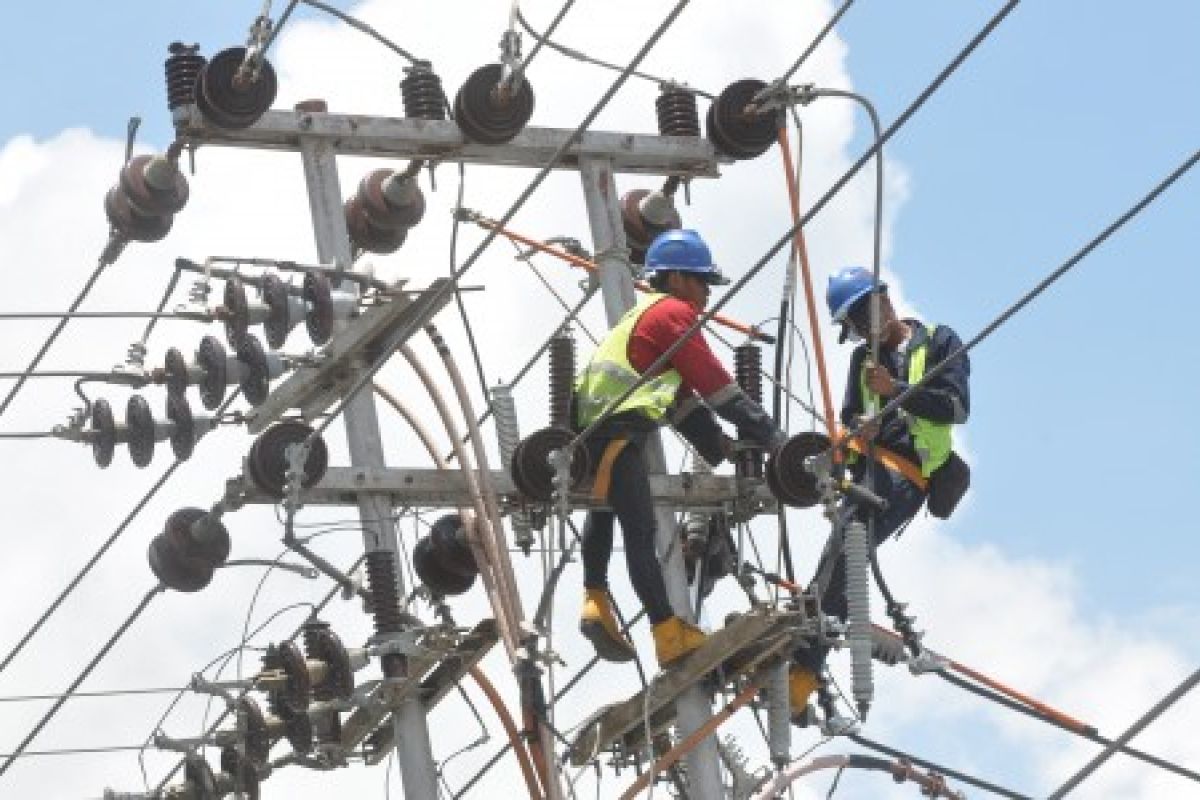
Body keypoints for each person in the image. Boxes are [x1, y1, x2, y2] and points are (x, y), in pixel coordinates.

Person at [574, 229, 788, 668]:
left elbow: (680, 401)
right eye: (701, 280)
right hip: (617, 430)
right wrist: (775, 439)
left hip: (590, 429)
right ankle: (668, 632)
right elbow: (717, 387)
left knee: (603, 510)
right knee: (640, 530)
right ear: (674, 279)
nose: (707, 293)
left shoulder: (642, 317)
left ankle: (595, 599)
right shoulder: (673, 314)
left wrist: (720, 447)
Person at [788, 265, 971, 717]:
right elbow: (851, 416)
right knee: (842, 554)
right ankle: (804, 656)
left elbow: (955, 407)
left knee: (847, 550)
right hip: (869, 472)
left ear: (884, 301)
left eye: (859, 319)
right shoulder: (861, 361)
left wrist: (897, 392)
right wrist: (857, 431)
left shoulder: (939, 341)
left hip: (906, 476)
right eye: (852, 327)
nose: (859, 332)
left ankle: (804, 665)